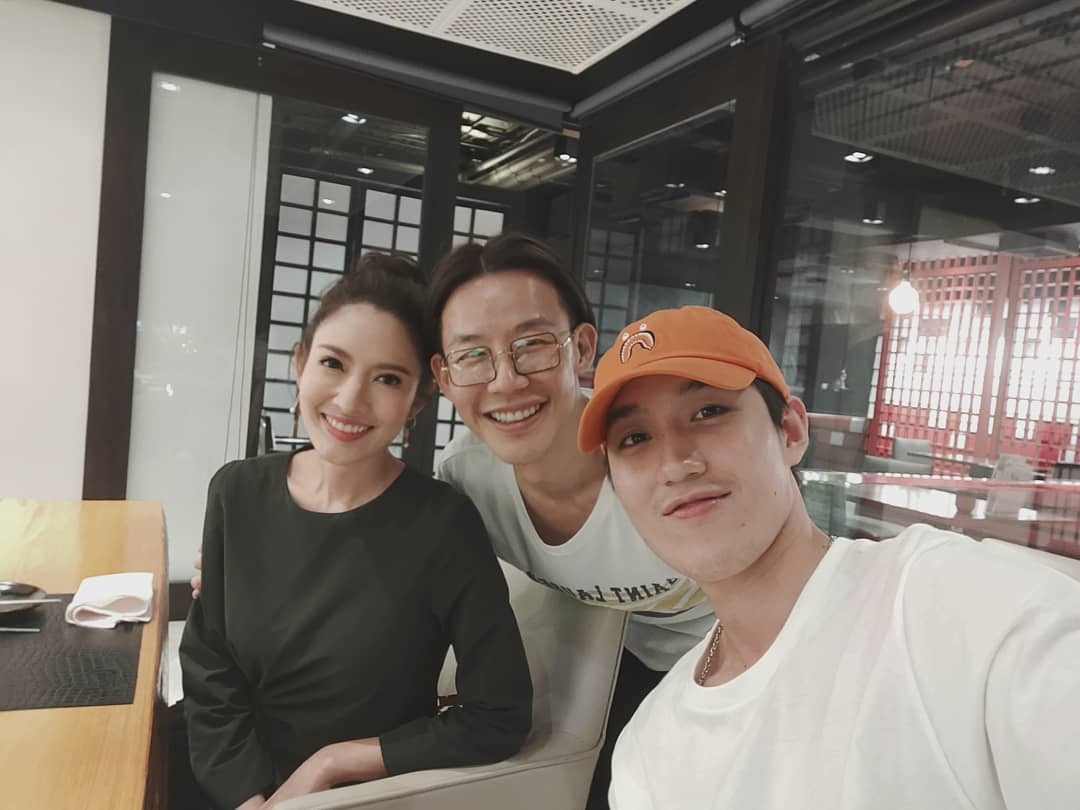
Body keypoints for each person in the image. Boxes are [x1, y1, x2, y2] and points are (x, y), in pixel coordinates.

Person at [577, 305, 1080, 809]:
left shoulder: (969, 614)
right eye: (634, 439)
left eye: (708, 412)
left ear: (791, 431)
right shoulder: (649, 750)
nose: (675, 464)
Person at [177, 254, 532, 810]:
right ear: (300, 363)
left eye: (387, 378)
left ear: (418, 400)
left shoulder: (442, 524)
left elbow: (499, 716)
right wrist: (248, 798)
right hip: (220, 781)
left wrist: (332, 763)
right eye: (332, 363)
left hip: (359, 798)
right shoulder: (236, 491)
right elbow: (209, 670)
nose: (349, 400)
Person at [427, 233, 715, 809]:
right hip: (626, 659)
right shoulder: (467, 478)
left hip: (736, 653)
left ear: (582, 349)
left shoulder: (655, 462)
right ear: (443, 376)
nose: (506, 380)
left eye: (532, 345)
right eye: (473, 355)